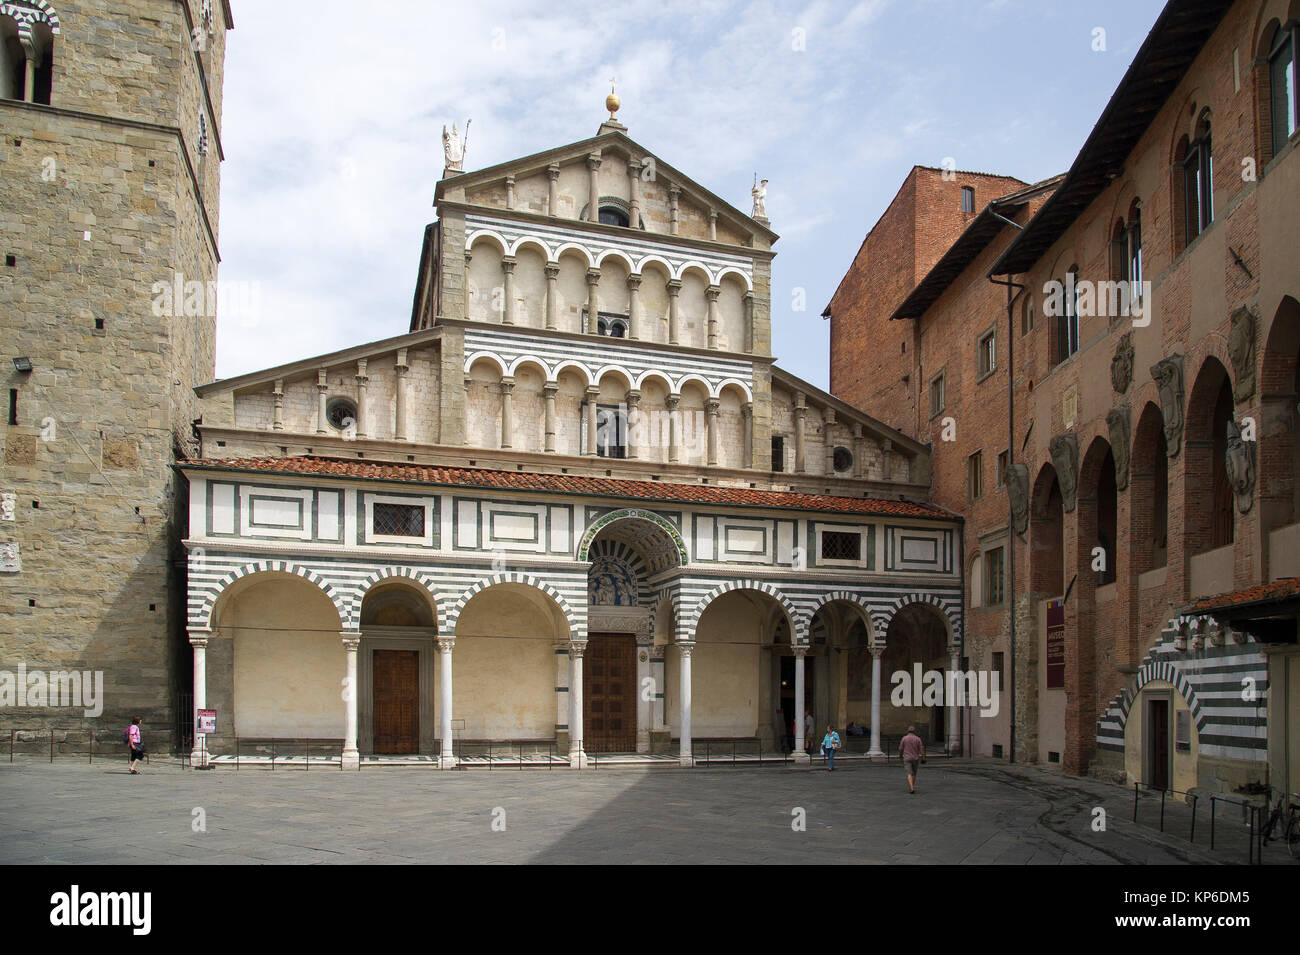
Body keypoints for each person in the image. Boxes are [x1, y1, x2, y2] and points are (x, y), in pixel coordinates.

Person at [899, 724, 925, 793]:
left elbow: (900, 748)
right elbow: (921, 749)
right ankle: (912, 787)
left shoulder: (904, 738)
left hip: (907, 758)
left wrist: (900, 756)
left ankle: (911, 788)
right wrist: (923, 758)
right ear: (914, 731)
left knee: (909, 773)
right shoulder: (918, 739)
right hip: (915, 758)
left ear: (908, 731)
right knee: (914, 773)